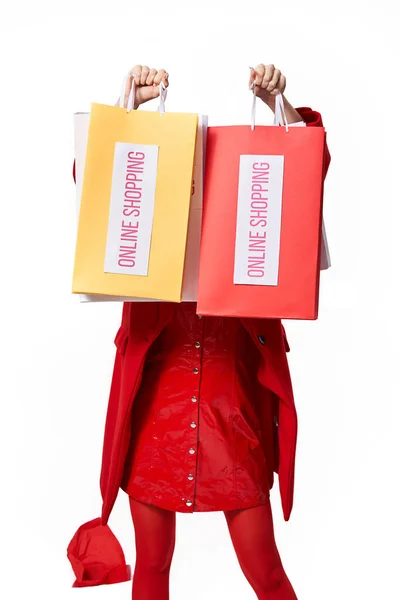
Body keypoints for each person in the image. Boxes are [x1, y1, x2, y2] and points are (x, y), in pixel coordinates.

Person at [67, 64, 331, 600]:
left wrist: (283, 105)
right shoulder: (141, 242)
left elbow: (307, 168)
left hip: (232, 420)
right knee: (153, 569)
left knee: (267, 573)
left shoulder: (253, 245)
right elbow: (97, 180)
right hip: (156, 421)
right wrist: (131, 111)